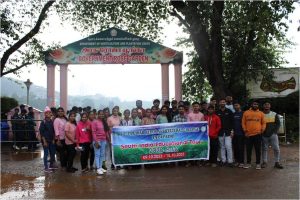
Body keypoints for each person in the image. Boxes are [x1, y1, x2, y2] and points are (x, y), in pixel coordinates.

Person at [242, 100, 266, 170]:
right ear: (251, 105)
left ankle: (258, 164)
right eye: (254, 104)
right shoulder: (246, 112)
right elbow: (243, 123)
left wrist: (262, 130)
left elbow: (264, 123)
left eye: (256, 104)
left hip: (258, 134)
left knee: (258, 150)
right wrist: (245, 131)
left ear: (258, 106)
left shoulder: (261, 113)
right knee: (248, 150)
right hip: (248, 134)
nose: (255, 105)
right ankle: (249, 163)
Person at [261, 102, 283, 169]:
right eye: (265, 105)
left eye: (268, 105)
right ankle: (264, 162)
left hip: (273, 135)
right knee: (264, 149)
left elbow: (278, 124)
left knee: (276, 148)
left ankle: (277, 162)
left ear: (270, 106)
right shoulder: (260, 114)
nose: (267, 106)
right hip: (264, 134)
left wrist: (275, 132)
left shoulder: (274, 114)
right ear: (263, 106)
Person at [216, 99, 234, 167]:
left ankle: (230, 161)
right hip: (220, 132)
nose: (222, 103)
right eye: (221, 102)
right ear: (219, 103)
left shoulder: (229, 111)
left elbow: (232, 122)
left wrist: (232, 131)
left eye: (223, 102)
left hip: (228, 132)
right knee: (222, 147)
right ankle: (223, 160)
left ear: (225, 103)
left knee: (228, 146)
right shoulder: (217, 112)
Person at [92, 110, 110, 175]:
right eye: (100, 114)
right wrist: (96, 141)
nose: (101, 115)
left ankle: (100, 167)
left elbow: (106, 132)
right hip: (97, 141)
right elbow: (93, 132)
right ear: (97, 114)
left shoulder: (104, 122)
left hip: (104, 140)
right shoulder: (94, 122)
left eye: (102, 114)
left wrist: (109, 139)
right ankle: (98, 168)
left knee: (102, 155)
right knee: (97, 154)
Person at [39, 107, 56, 173]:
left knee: (52, 153)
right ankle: (46, 167)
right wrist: (44, 141)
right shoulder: (43, 122)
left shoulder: (52, 121)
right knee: (46, 154)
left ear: (51, 113)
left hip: (51, 140)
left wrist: (54, 139)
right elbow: (41, 132)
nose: (48, 114)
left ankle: (51, 165)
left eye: (49, 113)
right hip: (45, 141)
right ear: (45, 114)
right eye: (46, 113)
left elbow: (53, 131)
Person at [232, 102, 245, 167]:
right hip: (234, 134)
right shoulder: (233, 114)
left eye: (237, 105)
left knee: (241, 148)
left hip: (241, 134)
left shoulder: (243, 113)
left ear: (240, 106)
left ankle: (241, 161)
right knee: (235, 148)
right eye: (234, 106)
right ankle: (236, 161)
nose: (235, 107)